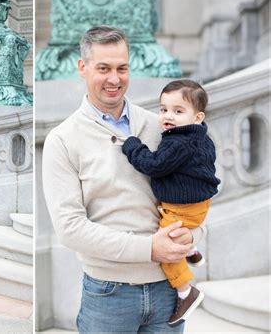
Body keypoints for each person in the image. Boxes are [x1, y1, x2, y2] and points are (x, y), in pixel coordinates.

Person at [42, 25, 204, 333]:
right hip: (108, 296)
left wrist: (194, 236)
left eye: (122, 68)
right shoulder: (62, 140)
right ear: (82, 67)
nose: (114, 79)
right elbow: (70, 229)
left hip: (169, 291)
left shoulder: (163, 126)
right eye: (103, 68)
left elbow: (197, 189)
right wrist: (149, 249)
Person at [122, 79, 220, 326]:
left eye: (178, 111)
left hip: (181, 208)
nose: (168, 116)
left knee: (166, 249)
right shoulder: (200, 137)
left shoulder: (178, 142)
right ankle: (193, 251)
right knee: (180, 233)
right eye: (163, 109)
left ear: (197, 117)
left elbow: (154, 165)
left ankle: (186, 292)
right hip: (197, 205)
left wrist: (133, 146)